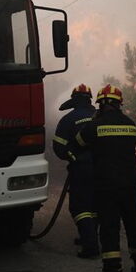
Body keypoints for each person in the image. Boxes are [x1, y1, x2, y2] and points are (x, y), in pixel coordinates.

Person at [71, 84, 136, 272]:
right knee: (134, 224)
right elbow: (132, 141)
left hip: (106, 186)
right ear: (119, 104)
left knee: (109, 230)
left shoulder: (95, 126)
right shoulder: (131, 125)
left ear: (100, 105)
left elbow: (78, 142)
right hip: (131, 184)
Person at [52, 84, 99, 258]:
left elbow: (58, 147)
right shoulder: (100, 117)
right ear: (90, 99)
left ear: (74, 100)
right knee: (95, 205)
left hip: (81, 170)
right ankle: (90, 236)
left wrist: (72, 157)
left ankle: (90, 245)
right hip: (102, 169)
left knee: (80, 207)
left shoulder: (68, 119)